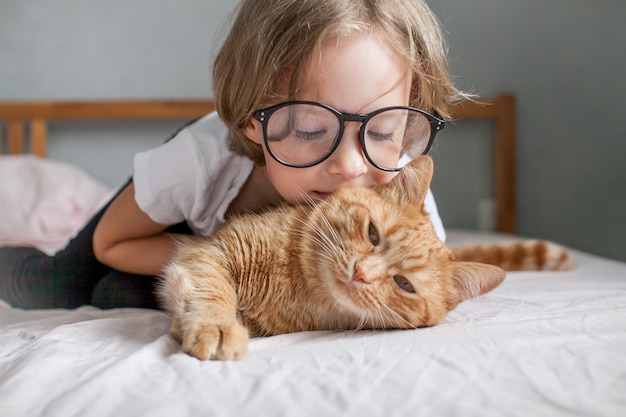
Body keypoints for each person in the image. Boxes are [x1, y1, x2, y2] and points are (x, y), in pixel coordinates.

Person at [0, 0, 462, 310]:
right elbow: (112, 244)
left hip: (197, 257)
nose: (350, 165)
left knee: (115, 297)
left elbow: (431, 284)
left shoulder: (397, 187)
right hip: (178, 226)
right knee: (48, 288)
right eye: (310, 128)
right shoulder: (195, 163)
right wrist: (229, 261)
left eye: (383, 131)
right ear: (251, 118)